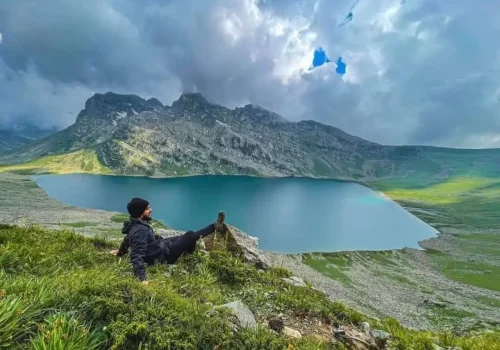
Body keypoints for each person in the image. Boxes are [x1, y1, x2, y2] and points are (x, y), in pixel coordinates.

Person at [110, 197, 227, 285]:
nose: (150, 210)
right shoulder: (140, 231)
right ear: (140, 213)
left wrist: (120, 252)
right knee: (191, 235)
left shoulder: (135, 223)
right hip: (165, 255)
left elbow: (127, 239)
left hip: (160, 246)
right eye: (147, 209)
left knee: (184, 236)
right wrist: (141, 279)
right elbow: (137, 256)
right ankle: (214, 227)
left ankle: (213, 228)